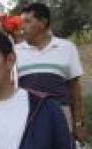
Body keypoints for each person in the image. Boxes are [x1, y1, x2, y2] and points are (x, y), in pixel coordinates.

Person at [17, 2, 86, 141]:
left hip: (61, 115)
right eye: (21, 22)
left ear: (43, 22)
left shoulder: (66, 47)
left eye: (27, 21)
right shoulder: (14, 51)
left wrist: (78, 123)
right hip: (26, 118)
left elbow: (74, 88)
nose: (22, 26)